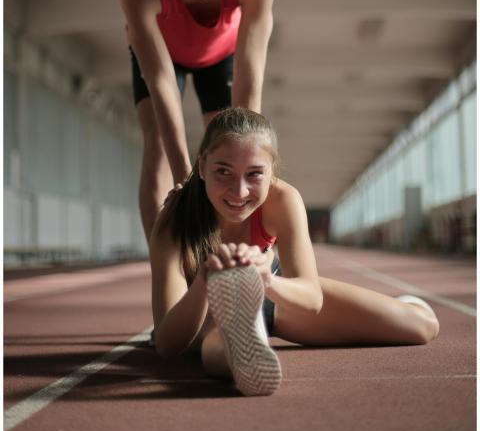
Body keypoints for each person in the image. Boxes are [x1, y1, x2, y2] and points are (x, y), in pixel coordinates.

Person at [149, 107, 440, 397]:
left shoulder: (283, 199)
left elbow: (311, 298)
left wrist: (267, 280)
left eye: (254, 174)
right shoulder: (175, 219)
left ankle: (405, 305)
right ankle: (245, 348)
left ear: (271, 172)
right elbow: (167, 342)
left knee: (423, 326)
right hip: (207, 311)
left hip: (275, 292)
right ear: (202, 166)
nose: (239, 191)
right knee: (218, 347)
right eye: (223, 171)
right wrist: (204, 279)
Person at [118, 0, 276, 242]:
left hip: (221, 55)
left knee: (227, 144)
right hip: (162, 55)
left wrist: (247, 159)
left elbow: (250, 77)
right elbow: (161, 82)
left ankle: (231, 245)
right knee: (157, 145)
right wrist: (184, 183)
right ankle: (164, 257)